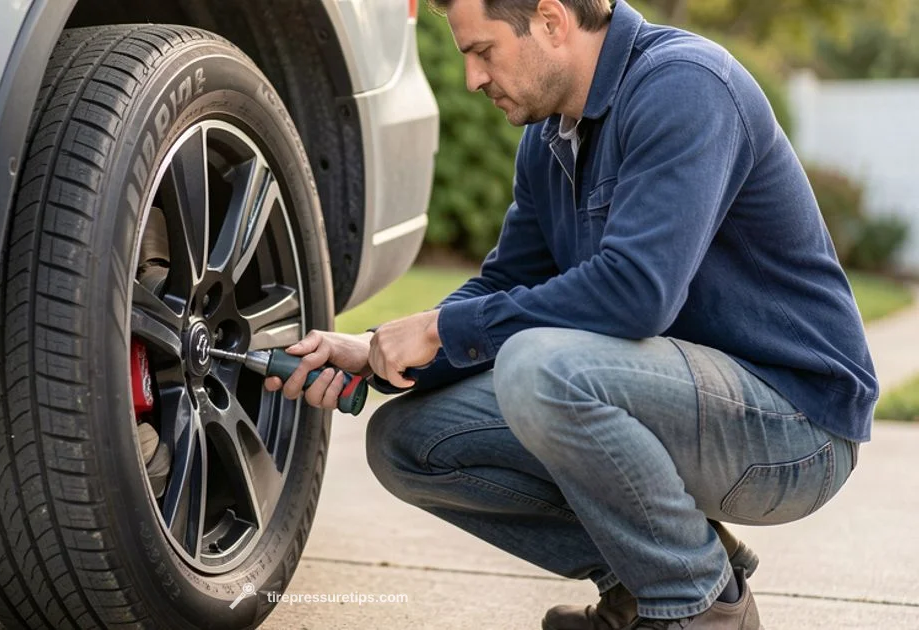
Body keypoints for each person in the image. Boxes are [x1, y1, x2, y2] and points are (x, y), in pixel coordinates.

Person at [263, 0, 875, 627]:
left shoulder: (686, 85)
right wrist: (374, 351)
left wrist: (438, 329)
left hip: (795, 428)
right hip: (681, 401)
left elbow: (638, 292)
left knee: (541, 368)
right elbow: (506, 283)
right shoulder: (551, 137)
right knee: (408, 443)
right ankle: (641, 584)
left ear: (552, 20)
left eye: (482, 51)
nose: (472, 78)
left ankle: (697, 608)